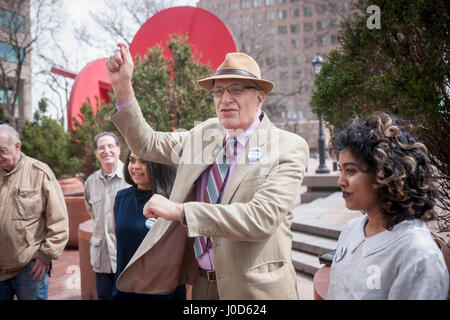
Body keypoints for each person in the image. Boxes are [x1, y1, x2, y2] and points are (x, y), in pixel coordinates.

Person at [106, 44, 309, 299]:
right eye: (218, 91)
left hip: (256, 292)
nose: (225, 99)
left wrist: (181, 212)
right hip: (202, 286)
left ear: (260, 97)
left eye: (236, 90)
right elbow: (147, 144)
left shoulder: (286, 146)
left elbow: (262, 218)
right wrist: (122, 86)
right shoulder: (206, 135)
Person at [326, 112, 449, 299]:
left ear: (385, 173)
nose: (340, 182)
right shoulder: (351, 231)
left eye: (350, 170)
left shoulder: (417, 253)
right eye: (340, 170)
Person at [0, 124, 68, 300]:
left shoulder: (40, 173)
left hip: (29, 268)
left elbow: (59, 221)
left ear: (18, 146)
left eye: (2, 151)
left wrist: (46, 256)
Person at [112, 151, 185, 300]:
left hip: (162, 292)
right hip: (125, 289)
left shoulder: (172, 203)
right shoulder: (121, 198)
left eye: (144, 162)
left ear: (159, 166)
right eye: (132, 161)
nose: (135, 167)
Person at [84, 132, 129, 300]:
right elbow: (93, 213)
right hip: (101, 258)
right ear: (96, 153)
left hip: (126, 257)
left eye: (111, 146)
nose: (106, 151)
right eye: (101, 147)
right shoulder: (91, 182)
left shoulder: (131, 177)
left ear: (118, 149)